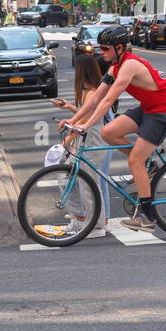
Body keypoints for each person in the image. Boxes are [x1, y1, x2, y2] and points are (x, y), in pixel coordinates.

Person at [64, 25, 166, 232]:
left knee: (133, 161)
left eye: (105, 49)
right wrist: (75, 121)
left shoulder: (129, 66)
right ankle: (147, 160)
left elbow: (109, 100)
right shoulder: (114, 68)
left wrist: (86, 125)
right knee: (108, 132)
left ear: (119, 47)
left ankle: (147, 217)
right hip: (148, 109)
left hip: (165, 111)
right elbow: (96, 97)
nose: (102, 53)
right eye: (100, 48)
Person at [51, 53, 115, 238]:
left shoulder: (93, 93)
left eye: (76, 70)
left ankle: (96, 226)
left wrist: (64, 144)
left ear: (82, 72)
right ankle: (81, 220)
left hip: (91, 140)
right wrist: (70, 108)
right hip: (84, 140)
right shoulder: (88, 92)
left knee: (89, 183)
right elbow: (83, 115)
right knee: (67, 179)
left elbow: (84, 122)